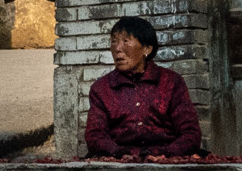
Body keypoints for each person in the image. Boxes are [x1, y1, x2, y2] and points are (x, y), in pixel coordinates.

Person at [85, 16, 203, 158]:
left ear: (146, 48)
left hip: (167, 160)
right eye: (114, 42)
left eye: (125, 41)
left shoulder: (171, 82)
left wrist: (165, 154)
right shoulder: (101, 88)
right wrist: (119, 153)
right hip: (118, 162)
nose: (117, 49)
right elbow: (95, 136)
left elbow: (191, 133)